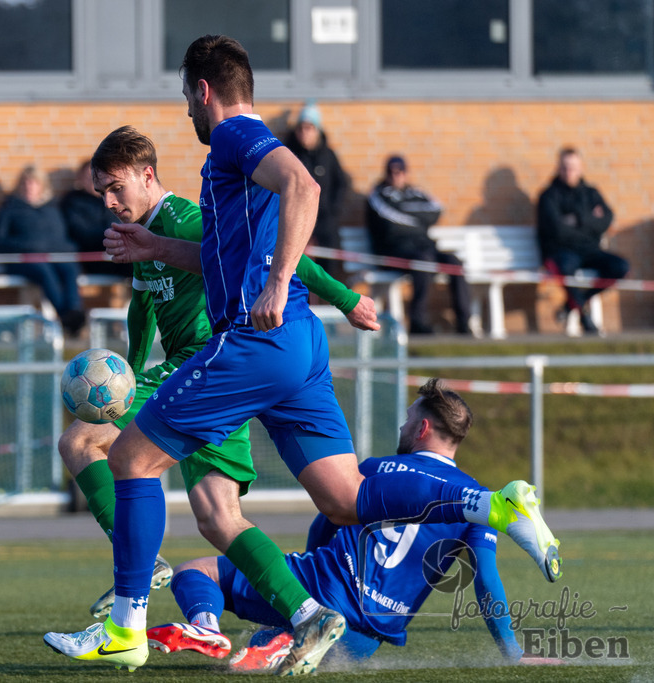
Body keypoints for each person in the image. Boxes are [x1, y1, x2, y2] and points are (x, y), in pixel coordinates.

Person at [45, 34, 561, 677]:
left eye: (186, 99)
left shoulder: (234, 135)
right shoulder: (229, 167)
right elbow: (222, 256)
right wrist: (158, 248)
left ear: (204, 91)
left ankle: (126, 630)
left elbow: (305, 187)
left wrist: (280, 279)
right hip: (301, 348)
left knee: (125, 457)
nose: (187, 114)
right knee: (343, 500)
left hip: (257, 342)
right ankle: (492, 504)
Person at [55, 126, 380, 621]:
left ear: (148, 176)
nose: (110, 202)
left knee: (80, 442)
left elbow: (276, 261)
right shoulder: (143, 233)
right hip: (210, 372)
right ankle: (310, 616)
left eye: (117, 187)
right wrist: (128, 375)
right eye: (102, 192)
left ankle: (139, 569)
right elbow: (143, 312)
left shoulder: (186, 220)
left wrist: (346, 298)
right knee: (217, 516)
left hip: (206, 363)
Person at [146, 379, 528, 672]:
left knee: (196, 571)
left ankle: (208, 626)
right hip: (366, 634)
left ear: (422, 429)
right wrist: (512, 654)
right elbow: (486, 580)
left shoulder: (376, 469)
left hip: (323, 585)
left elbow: (327, 522)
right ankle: (282, 642)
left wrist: (308, 587)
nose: (403, 425)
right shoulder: (478, 501)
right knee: (268, 645)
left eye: (408, 418)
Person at [365, 155, 472, 336]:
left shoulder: (416, 193)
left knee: (454, 262)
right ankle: (417, 322)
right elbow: (389, 221)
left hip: (422, 246)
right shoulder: (378, 194)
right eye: (391, 172)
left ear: (406, 173)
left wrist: (404, 211)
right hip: (392, 250)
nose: (396, 176)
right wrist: (419, 219)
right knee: (424, 261)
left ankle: (464, 323)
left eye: (400, 171)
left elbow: (436, 210)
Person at [537, 147, 629, 335]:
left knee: (620, 266)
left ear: (580, 168)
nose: (569, 172)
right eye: (564, 167)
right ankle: (586, 319)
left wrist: (577, 220)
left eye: (573, 167)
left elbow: (607, 219)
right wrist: (589, 222)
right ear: (558, 168)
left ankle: (572, 306)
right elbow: (558, 231)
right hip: (560, 251)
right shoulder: (548, 196)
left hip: (589, 251)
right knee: (565, 268)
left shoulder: (591, 193)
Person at [0, 165, 85, 337]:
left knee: (70, 270)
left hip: (55, 258)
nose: (29, 187)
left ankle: (73, 310)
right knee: (44, 271)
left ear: (42, 185)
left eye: (33, 183)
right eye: (25, 183)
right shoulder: (9, 210)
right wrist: (28, 246)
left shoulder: (53, 209)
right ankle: (67, 318)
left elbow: (63, 239)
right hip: (22, 261)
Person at [283, 100, 351, 284]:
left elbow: (342, 183)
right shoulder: (288, 154)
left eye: (309, 127)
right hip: (297, 219)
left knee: (329, 264)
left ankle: (330, 304)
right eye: (301, 128)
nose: (304, 133)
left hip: (325, 221)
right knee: (298, 267)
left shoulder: (328, 155)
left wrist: (333, 208)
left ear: (317, 130)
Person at [59, 160, 132, 279]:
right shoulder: (72, 202)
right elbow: (81, 233)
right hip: (92, 258)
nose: (94, 181)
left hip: (117, 252)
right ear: (80, 179)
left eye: (98, 177)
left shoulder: (112, 200)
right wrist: (112, 236)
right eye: (89, 177)